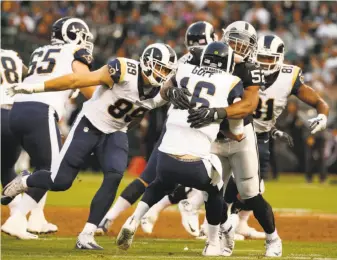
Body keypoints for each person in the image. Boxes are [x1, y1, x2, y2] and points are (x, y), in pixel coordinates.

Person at [4, 42, 191, 249]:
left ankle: (87, 234)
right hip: (90, 124)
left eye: (166, 70)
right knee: (60, 181)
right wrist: (35, 87)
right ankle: (26, 180)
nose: (162, 74)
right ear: (146, 62)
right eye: (160, 67)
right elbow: (77, 79)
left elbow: (157, 98)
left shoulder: (161, 93)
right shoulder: (122, 69)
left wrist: (173, 93)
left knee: (114, 175)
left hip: (116, 131)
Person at [116, 41, 245, 256]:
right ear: (229, 63)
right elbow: (238, 129)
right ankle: (212, 242)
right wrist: (218, 118)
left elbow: (165, 89)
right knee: (214, 189)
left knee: (160, 183)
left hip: (165, 157)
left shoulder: (185, 68)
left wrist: (171, 91)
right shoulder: (232, 82)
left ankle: (134, 219)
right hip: (196, 163)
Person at [95, 21, 218, 236]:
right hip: (197, 129)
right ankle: (208, 223)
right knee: (210, 177)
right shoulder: (217, 64)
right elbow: (164, 90)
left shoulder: (182, 62)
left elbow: (162, 89)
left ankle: (110, 218)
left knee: (151, 178)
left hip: (174, 126)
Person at [187, 22, 283, 257]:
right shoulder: (203, 58)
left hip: (241, 137)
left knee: (250, 192)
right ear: (224, 39)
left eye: (243, 42)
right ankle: (219, 236)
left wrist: (218, 112)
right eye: (234, 40)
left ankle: (273, 240)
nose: (237, 46)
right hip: (212, 136)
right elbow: (180, 78)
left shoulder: (249, 68)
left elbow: (249, 104)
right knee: (212, 191)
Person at [224, 34, 329, 241]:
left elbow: (319, 102)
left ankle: (237, 224)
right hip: (234, 131)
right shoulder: (242, 69)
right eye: (261, 58)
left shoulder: (288, 76)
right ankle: (220, 224)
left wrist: (323, 115)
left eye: (269, 59)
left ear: (280, 58)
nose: (264, 64)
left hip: (260, 137)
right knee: (223, 182)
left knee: (254, 187)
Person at [1, 16, 96, 239]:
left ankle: (36, 218)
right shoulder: (75, 51)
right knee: (54, 171)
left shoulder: (39, 51)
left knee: (44, 166)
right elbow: (87, 89)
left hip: (17, 110)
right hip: (40, 110)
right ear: (74, 35)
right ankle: (17, 214)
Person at [0, 49, 30, 238]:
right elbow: (28, 73)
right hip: (17, 115)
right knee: (6, 168)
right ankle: (17, 220)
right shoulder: (13, 56)